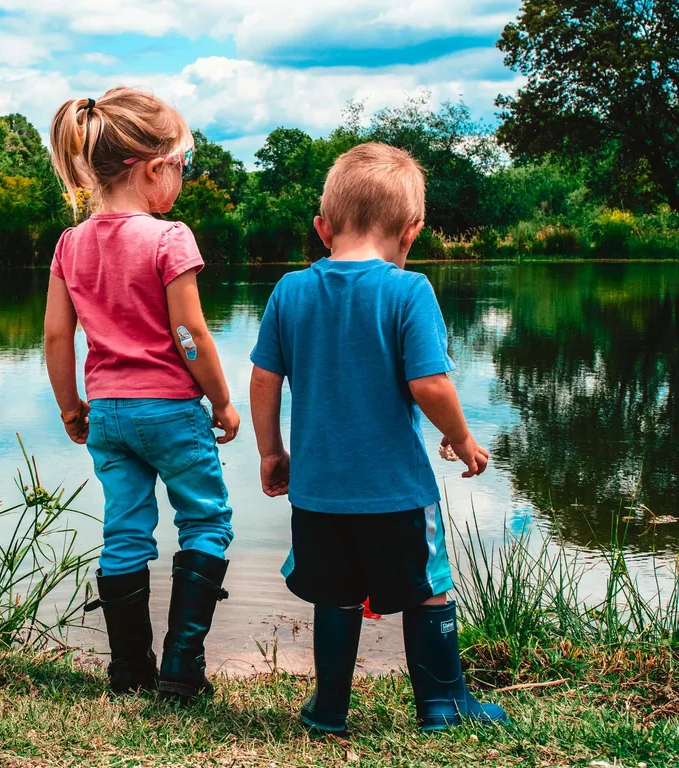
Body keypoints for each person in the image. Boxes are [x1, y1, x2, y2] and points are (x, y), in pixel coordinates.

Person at [249, 142, 509, 733]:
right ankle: (442, 704)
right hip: (396, 492)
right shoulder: (408, 291)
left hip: (317, 494)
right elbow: (430, 383)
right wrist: (462, 440)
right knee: (428, 589)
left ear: (322, 228)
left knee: (335, 596)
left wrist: (271, 451)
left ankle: (329, 709)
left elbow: (264, 379)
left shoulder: (289, 290)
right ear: (412, 231)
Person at [43, 87, 240, 700]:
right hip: (170, 411)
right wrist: (224, 401)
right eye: (182, 165)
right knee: (205, 521)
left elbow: (56, 334)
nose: (181, 178)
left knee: (125, 531)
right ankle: (182, 669)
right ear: (153, 169)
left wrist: (70, 407)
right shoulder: (168, 238)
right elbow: (189, 333)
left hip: (108, 414)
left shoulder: (71, 243)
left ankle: (129, 669)